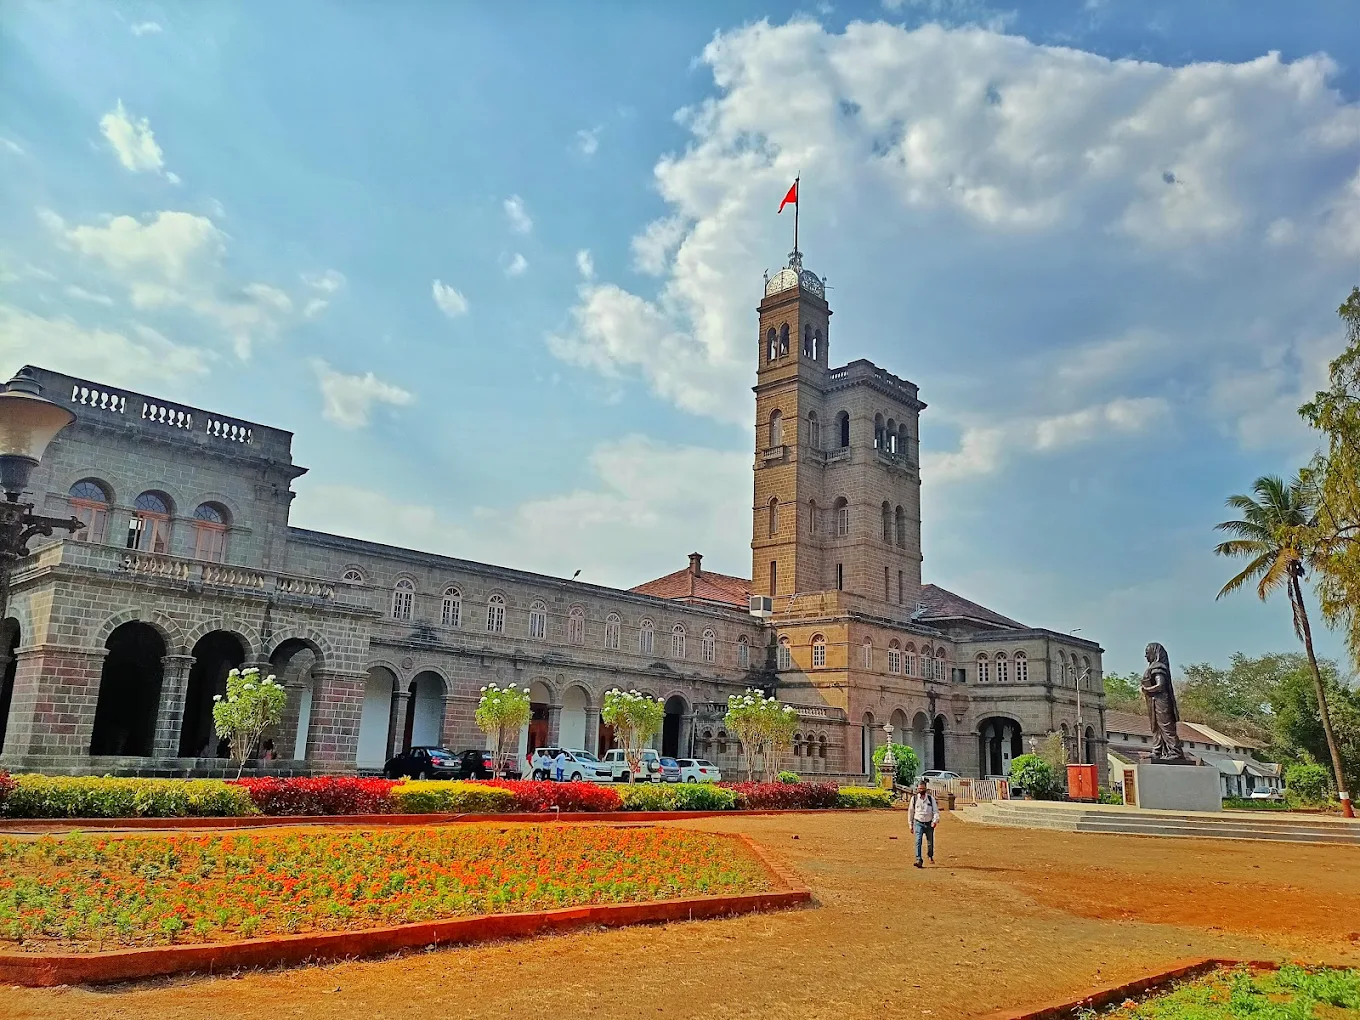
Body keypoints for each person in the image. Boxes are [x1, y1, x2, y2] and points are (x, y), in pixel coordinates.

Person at [908, 778, 940, 868]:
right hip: (918, 822)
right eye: (919, 789)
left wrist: (935, 821)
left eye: (922, 789)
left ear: (925, 789)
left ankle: (930, 855)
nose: (921, 790)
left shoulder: (930, 799)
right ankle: (919, 860)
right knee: (918, 841)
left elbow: (936, 811)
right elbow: (910, 812)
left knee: (930, 843)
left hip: (929, 823)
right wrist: (910, 825)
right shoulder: (914, 799)